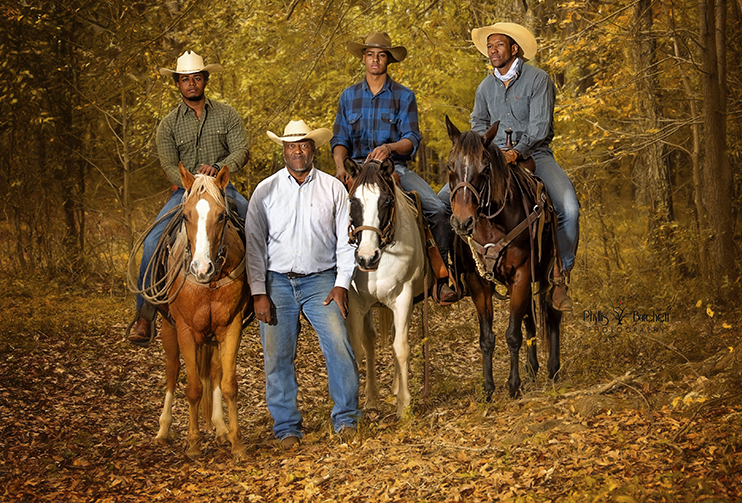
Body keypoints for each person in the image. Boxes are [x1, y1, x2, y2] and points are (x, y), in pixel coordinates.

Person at [246, 120, 360, 449]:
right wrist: (258, 292)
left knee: (339, 345)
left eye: (304, 144)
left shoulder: (333, 189)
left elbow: (345, 243)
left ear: (313, 148)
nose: (297, 151)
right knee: (278, 356)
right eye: (291, 145)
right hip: (277, 281)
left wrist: (341, 284)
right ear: (283, 149)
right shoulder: (265, 191)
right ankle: (286, 427)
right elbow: (254, 245)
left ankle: (346, 418)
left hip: (321, 280)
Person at [127, 51, 249, 344]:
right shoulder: (168, 124)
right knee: (154, 240)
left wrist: (217, 169)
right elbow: (169, 165)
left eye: (196, 78)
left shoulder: (226, 114)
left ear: (205, 79)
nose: (191, 84)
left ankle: (261, 298)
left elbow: (241, 151)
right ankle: (145, 316)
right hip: (185, 193)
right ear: (178, 84)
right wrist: (192, 182)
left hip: (222, 190)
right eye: (185, 80)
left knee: (256, 225)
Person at [331, 31, 458, 303]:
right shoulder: (348, 96)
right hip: (358, 171)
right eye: (370, 54)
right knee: (325, 210)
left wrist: (389, 148)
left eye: (381, 54)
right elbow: (340, 138)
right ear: (363, 59)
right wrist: (341, 166)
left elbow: (411, 139)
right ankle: (326, 278)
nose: (375, 59)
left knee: (435, 209)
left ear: (388, 60)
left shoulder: (404, 96)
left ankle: (440, 276)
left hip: (393, 169)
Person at [466, 22, 580, 312]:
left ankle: (559, 278)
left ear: (513, 48)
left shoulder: (538, 79)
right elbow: (478, 124)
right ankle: (462, 276)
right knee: (447, 202)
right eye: (489, 46)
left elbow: (540, 127)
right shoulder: (483, 87)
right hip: (492, 159)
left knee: (569, 208)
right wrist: (486, 150)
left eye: (499, 45)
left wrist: (516, 152)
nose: (493, 50)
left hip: (535, 154)